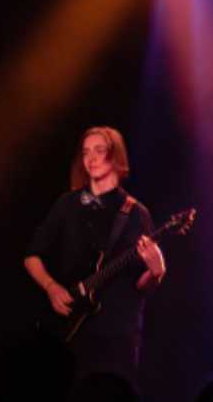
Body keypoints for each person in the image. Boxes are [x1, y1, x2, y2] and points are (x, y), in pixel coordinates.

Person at [24, 126, 165, 382]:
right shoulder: (67, 205)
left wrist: (155, 274)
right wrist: (51, 287)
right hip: (70, 333)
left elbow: (141, 286)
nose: (91, 158)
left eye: (100, 150)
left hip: (117, 337)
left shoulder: (135, 214)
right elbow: (32, 255)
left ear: (115, 157)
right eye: (86, 151)